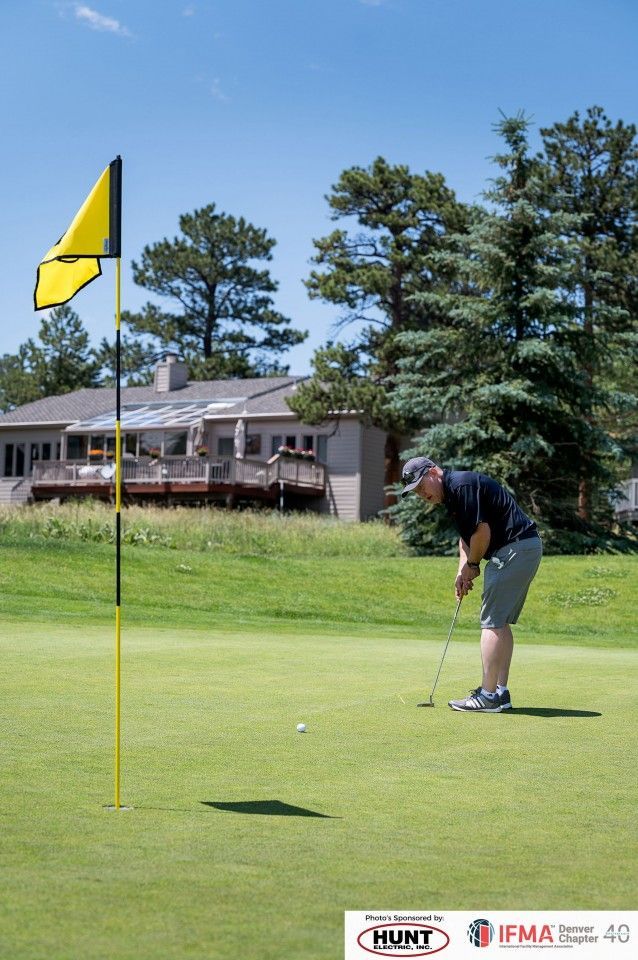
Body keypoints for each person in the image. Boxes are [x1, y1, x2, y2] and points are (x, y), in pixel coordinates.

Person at [401, 457, 542, 713]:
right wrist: (461, 571)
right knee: (499, 621)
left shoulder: (461, 486)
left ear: (434, 472)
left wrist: (474, 565)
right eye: (416, 492)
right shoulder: (453, 493)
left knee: (491, 622)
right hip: (522, 548)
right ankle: (500, 692)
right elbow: (465, 538)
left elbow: (481, 533)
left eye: (422, 486)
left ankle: (487, 695)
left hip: (514, 549)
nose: (422, 494)